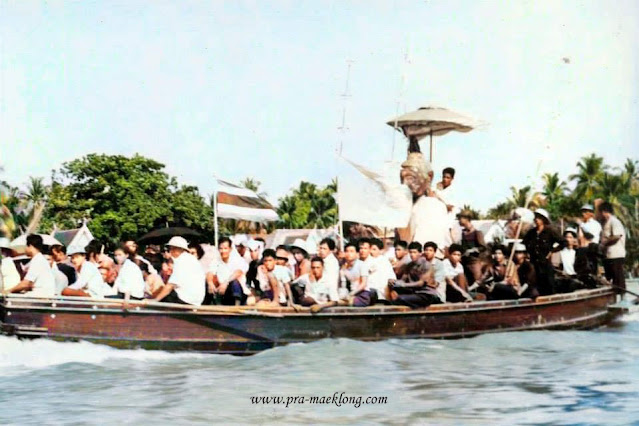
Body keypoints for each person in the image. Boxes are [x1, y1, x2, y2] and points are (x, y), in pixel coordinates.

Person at [522, 208, 563, 296]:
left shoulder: (550, 231)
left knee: (549, 286)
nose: (536, 219)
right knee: (535, 287)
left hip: (545, 264)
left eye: (539, 218)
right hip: (534, 265)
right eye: (536, 217)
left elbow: (563, 242)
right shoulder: (531, 232)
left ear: (543, 219)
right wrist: (527, 253)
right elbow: (524, 243)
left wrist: (552, 251)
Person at [153, 236, 205, 305]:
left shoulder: (181, 261)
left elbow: (170, 285)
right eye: (170, 249)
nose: (171, 251)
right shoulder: (191, 259)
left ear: (180, 249)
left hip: (185, 299)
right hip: (196, 300)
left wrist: (155, 300)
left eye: (172, 249)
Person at [207, 237, 249, 305]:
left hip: (238, 293)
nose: (223, 251)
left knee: (234, 282)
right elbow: (210, 272)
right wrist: (210, 283)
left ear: (230, 249)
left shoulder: (238, 259)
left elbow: (238, 272)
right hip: (222, 292)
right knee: (209, 282)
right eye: (221, 248)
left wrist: (226, 282)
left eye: (225, 248)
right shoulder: (216, 260)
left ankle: (237, 306)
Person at [600, 202, 627, 295]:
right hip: (609, 255)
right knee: (613, 279)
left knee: (619, 279)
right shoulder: (607, 222)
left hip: (616, 254)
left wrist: (604, 243)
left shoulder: (614, 221)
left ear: (604, 212)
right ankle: (616, 299)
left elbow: (617, 236)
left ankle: (623, 299)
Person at [340, 242, 371, 307]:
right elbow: (343, 284)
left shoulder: (362, 265)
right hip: (351, 293)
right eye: (347, 251)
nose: (349, 254)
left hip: (363, 292)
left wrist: (352, 294)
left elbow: (363, 284)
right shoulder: (343, 268)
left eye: (351, 251)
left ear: (357, 254)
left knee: (353, 301)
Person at [366, 238, 396, 303]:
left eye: (374, 249)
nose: (371, 251)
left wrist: (391, 280)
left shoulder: (385, 260)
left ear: (380, 250)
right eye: (370, 249)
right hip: (371, 289)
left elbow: (391, 274)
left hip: (383, 290)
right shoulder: (367, 259)